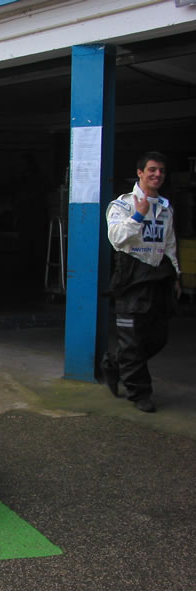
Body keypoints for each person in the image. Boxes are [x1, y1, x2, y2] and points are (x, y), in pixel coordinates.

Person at [101, 151, 181, 413]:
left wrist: (176, 275)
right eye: (152, 170)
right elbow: (116, 238)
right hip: (131, 279)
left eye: (161, 171)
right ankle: (140, 393)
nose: (157, 174)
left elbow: (169, 244)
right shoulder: (123, 205)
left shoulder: (166, 208)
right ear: (140, 173)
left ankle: (115, 362)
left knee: (157, 338)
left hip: (158, 278)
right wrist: (138, 216)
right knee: (132, 340)